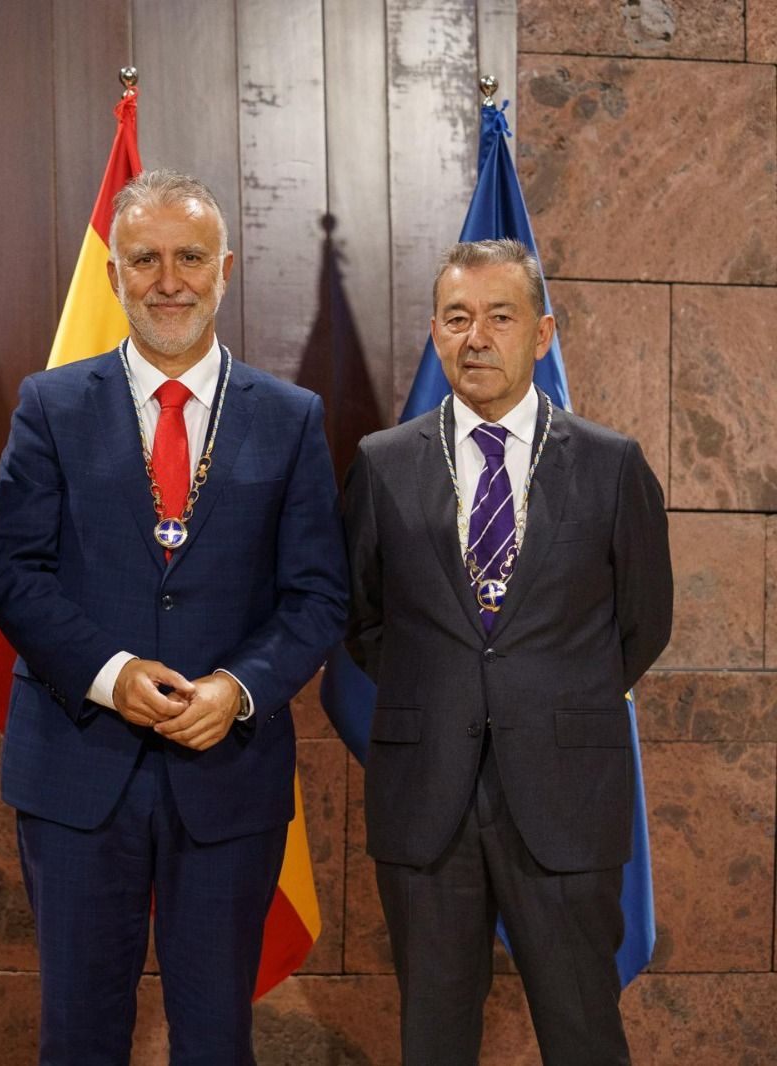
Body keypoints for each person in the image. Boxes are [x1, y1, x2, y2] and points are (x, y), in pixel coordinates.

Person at [0, 169, 348, 1064]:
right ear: (113, 277)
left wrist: (240, 688)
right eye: (143, 259)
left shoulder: (293, 418)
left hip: (228, 774)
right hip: (76, 768)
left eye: (189, 258)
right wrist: (110, 675)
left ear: (224, 268)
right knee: (77, 1034)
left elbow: (318, 595)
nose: (168, 279)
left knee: (217, 1038)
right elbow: (13, 572)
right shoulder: (50, 405)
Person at [343, 238, 672, 1063]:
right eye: (457, 318)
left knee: (584, 1035)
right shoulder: (381, 467)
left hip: (564, 799)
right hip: (427, 804)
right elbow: (360, 619)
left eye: (499, 316)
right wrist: (447, 693)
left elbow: (643, 621)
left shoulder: (611, 465)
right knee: (434, 1037)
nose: (476, 337)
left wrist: (547, 699)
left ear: (543, 333)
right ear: (434, 331)